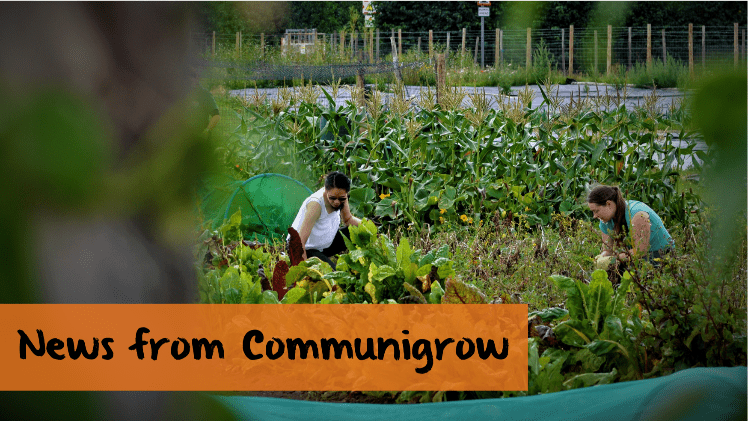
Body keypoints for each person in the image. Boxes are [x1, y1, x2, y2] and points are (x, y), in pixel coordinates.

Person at [587, 185, 673, 267]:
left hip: (661, 253)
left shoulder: (637, 214)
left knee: (628, 268)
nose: (594, 216)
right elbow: (607, 250)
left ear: (609, 204)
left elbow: (640, 251)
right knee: (612, 268)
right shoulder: (605, 220)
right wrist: (601, 258)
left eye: (596, 211)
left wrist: (613, 259)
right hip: (636, 255)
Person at [288, 171, 361, 270]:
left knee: (356, 231)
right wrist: (304, 270)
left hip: (324, 244)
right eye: (332, 198)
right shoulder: (315, 205)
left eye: (341, 199)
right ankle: (321, 260)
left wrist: (368, 225)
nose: (337, 202)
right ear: (326, 190)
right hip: (306, 248)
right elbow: (299, 242)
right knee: (333, 274)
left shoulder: (341, 196)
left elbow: (348, 219)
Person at [189, 66, 220, 137]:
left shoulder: (205, 94)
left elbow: (216, 116)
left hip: (199, 137)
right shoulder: (181, 93)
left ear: (197, 78)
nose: (190, 79)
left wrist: (207, 131)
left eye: (193, 76)